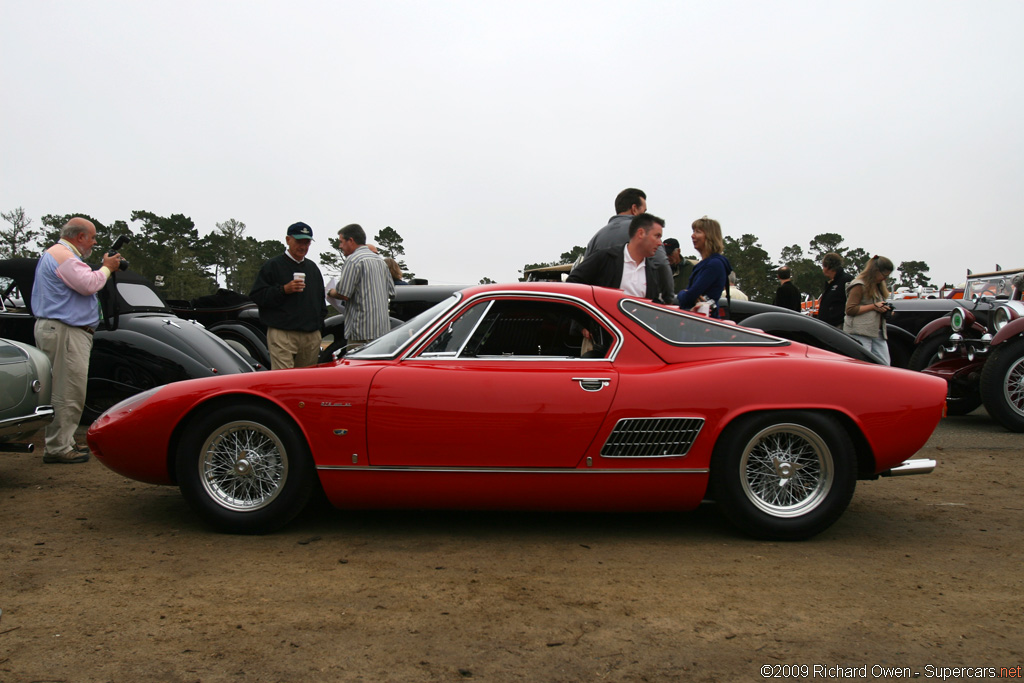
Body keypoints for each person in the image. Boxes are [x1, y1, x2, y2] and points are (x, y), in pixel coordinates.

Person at [32, 217, 122, 464]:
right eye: (92, 237)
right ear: (80, 237)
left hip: (64, 330)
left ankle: (64, 441)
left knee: (68, 387)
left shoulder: (59, 254)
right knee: (67, 389)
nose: (94, 242)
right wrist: (107, 267)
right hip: (66, 331)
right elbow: (88, 284)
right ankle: (58, 447)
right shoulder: (64, 256)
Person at [249, 221, 327, 370]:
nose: (303, 246)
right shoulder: (273, 266)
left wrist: (318, 329)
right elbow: (257, 295)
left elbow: (320, 301)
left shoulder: (313, 268)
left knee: (306, 381)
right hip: (282, 334)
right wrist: (283, 290)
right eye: (299, 241)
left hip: (310, 336)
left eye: (307, 242)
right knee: (283, 381)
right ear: (288, 240)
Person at [583, 188, 673, 303]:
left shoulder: (596, 237)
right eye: (644, 212)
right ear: (634, 209)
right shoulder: (646, 232)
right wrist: (668, 300)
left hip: (601, 311)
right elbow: (661, 264)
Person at [567, 213, 668, 303]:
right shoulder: (605, 258)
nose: (660, 243)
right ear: (641, 233)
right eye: (657, 236)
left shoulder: (654, 272)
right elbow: (572, 284)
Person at [327, 224, 395, 351]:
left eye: (341, 242)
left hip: (361, 332)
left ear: (351, 240)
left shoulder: (353, 260)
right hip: (382, 331)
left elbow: (343, 293)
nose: (340, 246)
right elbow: (391, 292)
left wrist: (330, 292)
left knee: (359, 368)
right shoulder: (381, 262)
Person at [676, 216, 732, 318]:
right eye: (693, 231)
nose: (693, 236)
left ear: (710, 236)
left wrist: (682, 293)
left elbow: (689, 297)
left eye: (698, 232)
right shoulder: (707, 264)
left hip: (703, 322)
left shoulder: (713, 264)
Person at [843, 255, 894, 365]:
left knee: (885, 364)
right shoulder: (859, 285)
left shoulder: (878, 287)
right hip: (859, 331)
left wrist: (885, 310)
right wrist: (874, 306)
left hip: (877, 331)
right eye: (884, 275)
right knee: (863, 365)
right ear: (875, 271)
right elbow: (850, 309)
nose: (885, 278)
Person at [817, 252, 853, 327]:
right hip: (827, 324)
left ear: (827, 266)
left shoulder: (846, 280)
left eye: (823, 266)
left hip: (837, 325)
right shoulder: (832, 283)